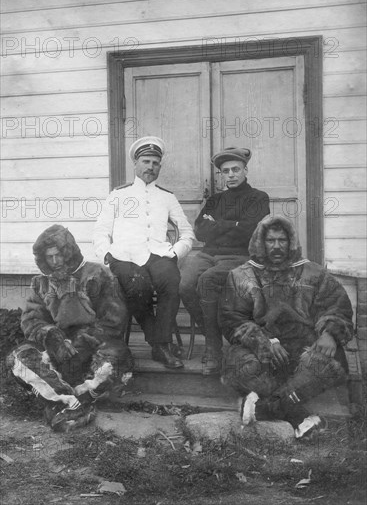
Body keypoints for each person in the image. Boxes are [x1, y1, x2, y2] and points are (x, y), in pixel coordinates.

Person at [220, 214, 354, 438]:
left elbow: (337, 306)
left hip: (304, 346)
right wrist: (264, 342)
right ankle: (298, 416)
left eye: (281, 240)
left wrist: (330, 332)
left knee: (331, 361)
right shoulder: (241, 275)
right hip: (263, 352)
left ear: (290, 242)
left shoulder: (314, 273)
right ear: (261, 243)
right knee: (238, 365)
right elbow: (231, 318)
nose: (276, 246)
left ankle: (262, 407)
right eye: (270, 241)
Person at [6, 225, 133, 432]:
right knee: (18, 358)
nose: (55, 261)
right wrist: (52, 335)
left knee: (115, 358)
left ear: (69, 253)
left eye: (58, 255)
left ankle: (73, 398)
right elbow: (31, 320)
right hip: (57, 352)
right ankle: (66, 399)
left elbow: (114, 320)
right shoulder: (40, 283)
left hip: (92, 346)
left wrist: (83, 339)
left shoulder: (98, 274)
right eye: (49, 257)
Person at [93, 136, 195, 369]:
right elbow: (100, 230)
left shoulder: (167, 197)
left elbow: (187, 232)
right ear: (136, 164)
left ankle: (160, 345)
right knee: (137, 286)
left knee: (172, 280)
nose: (150, 167)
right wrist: (106, 254)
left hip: (158, 254)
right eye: (146, 161)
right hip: (124, 257)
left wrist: (176, 252)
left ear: (159, 166)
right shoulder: (118, 195)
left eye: (155, 163)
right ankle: (160, 344)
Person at [179, 146, 270, 375]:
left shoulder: (258, 198)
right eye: (225, 171)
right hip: (207, 254)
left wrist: (218, 225)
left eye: (235, 169)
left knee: (207, 281)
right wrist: (234, 224)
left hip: (238, 255)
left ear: (245, 170)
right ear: (221, 174)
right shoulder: (215, 200)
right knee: (184, 284)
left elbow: (249, 231)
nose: (231, 174)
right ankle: (213, 335)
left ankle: (213, 349)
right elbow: (200, 231)